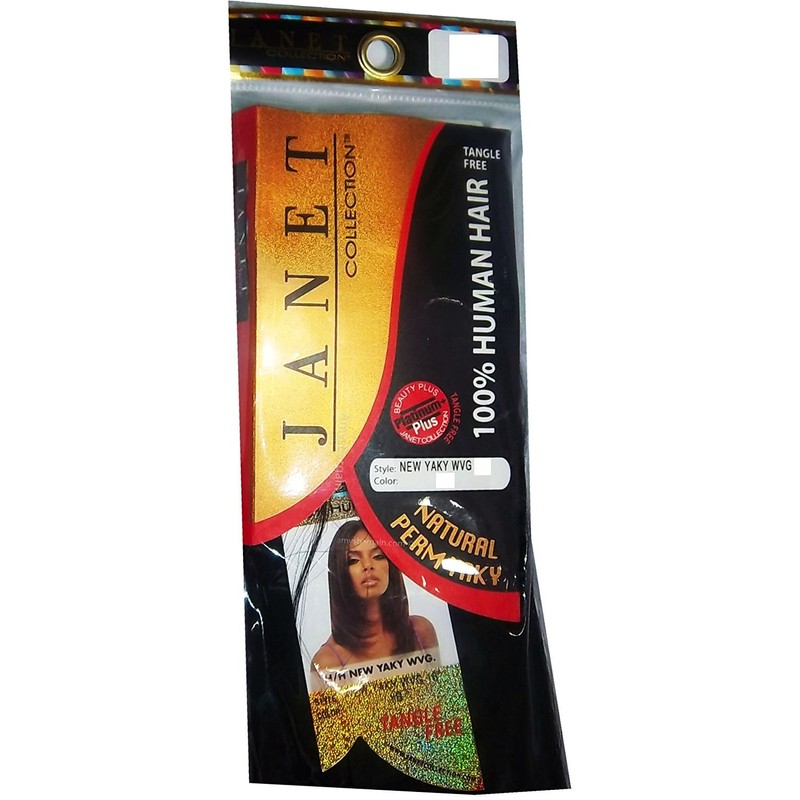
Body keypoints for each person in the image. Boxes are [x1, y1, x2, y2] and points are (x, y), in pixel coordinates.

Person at [311, 520, 438, 676]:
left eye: (378, 556)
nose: (368, 565)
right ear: (340, 572)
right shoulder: (327, 662)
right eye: (353, 560)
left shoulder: (421, 632)